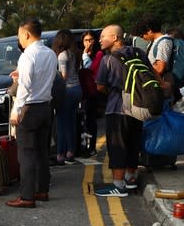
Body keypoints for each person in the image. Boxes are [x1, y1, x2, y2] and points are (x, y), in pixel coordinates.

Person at [94, 24, 151, 197]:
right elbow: (150, 73)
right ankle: (130, 178)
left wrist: (113, 93)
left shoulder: (108, 59)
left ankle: (118, 186)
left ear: (115, 38)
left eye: (103, 36)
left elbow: (100, 86)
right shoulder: (139, 53)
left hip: (117, 108)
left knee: (117, 146)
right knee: (134, 142)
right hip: (138, 107)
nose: (100, 40)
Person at [6, 19, 57, 208]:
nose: (20, 39)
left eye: (20, 35)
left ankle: (27, 196)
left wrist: (15, 110)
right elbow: (47, 78)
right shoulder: (50, 53)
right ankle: (42, 190)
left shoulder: (28, 55)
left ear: (26, 34)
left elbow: (25, 86)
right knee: (42, 151)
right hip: (45, 106)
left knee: (26, 153)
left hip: (30, 108)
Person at [51, 30, 83, 165]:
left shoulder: (62, 56)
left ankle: (60, 154)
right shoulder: (74, 53)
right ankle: (71, 151)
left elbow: (63, 76)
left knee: (61, 123)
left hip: (67, 91)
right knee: (71, 122)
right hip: (77, 89)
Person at [80, 30, 103, 157]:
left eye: (91, 40)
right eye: (86, 40)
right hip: (83, 91)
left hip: (93, 92)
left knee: (91, 120)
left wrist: (85, 54)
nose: (88, 43)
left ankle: (92, 147)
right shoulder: (80, 54)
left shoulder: (99, 54)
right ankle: (84, 146)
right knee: (83, 121)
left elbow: (91, 69)